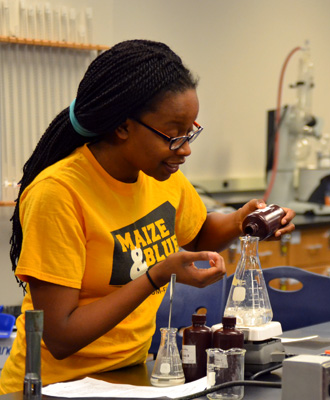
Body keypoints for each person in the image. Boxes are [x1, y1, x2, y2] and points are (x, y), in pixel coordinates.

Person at [0, 39, 296, 394]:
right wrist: (156, 276)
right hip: (55, 387)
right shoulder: (59, 194)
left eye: (190, 133)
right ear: (123, 127)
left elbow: (199, 233)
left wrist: (239, 221)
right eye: (173, 136)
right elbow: (61, 336)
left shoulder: (158, 175)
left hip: (128, 377)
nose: (185, 149)